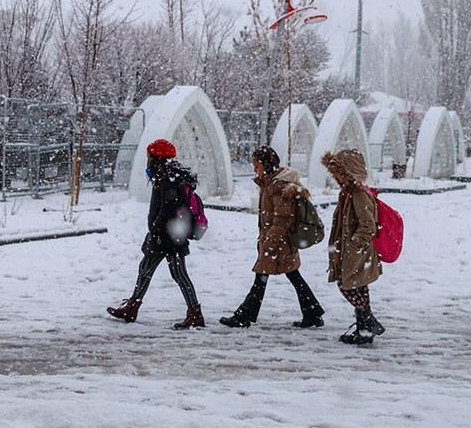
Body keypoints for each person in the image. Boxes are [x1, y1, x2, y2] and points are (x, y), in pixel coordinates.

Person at [220, 146, 325, 329]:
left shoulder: (277, 187)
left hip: (279, 243)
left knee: (261, 278)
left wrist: (269, 242)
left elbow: (283, 219)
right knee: (292, 276)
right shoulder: (270, 184)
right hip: (279, 242)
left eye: (257, 165)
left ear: (266, 165)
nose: (255, 170)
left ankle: (244, 316)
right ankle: (312, 312)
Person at [107, 139, 205, 329]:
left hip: (168, 236)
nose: (148, 160)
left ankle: (194, 314)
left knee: (177, 274)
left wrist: (155, 228)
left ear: (157, 157)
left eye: (150, 156)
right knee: (148, 269)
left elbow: (168, 208)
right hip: (171, 234)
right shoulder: (169, 174)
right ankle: (133, 307)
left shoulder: (168, 177)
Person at [321, 149, 386, 345]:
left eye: (337, 171)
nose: (334, 176)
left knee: (346, 285)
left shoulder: (359, 194)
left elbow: (368, 225)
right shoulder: (349, 192)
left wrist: (352, 247)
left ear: (348, 171)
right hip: (354, 251)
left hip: (357, 252)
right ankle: (364, 329)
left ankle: (368, 323)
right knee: (359, 287)